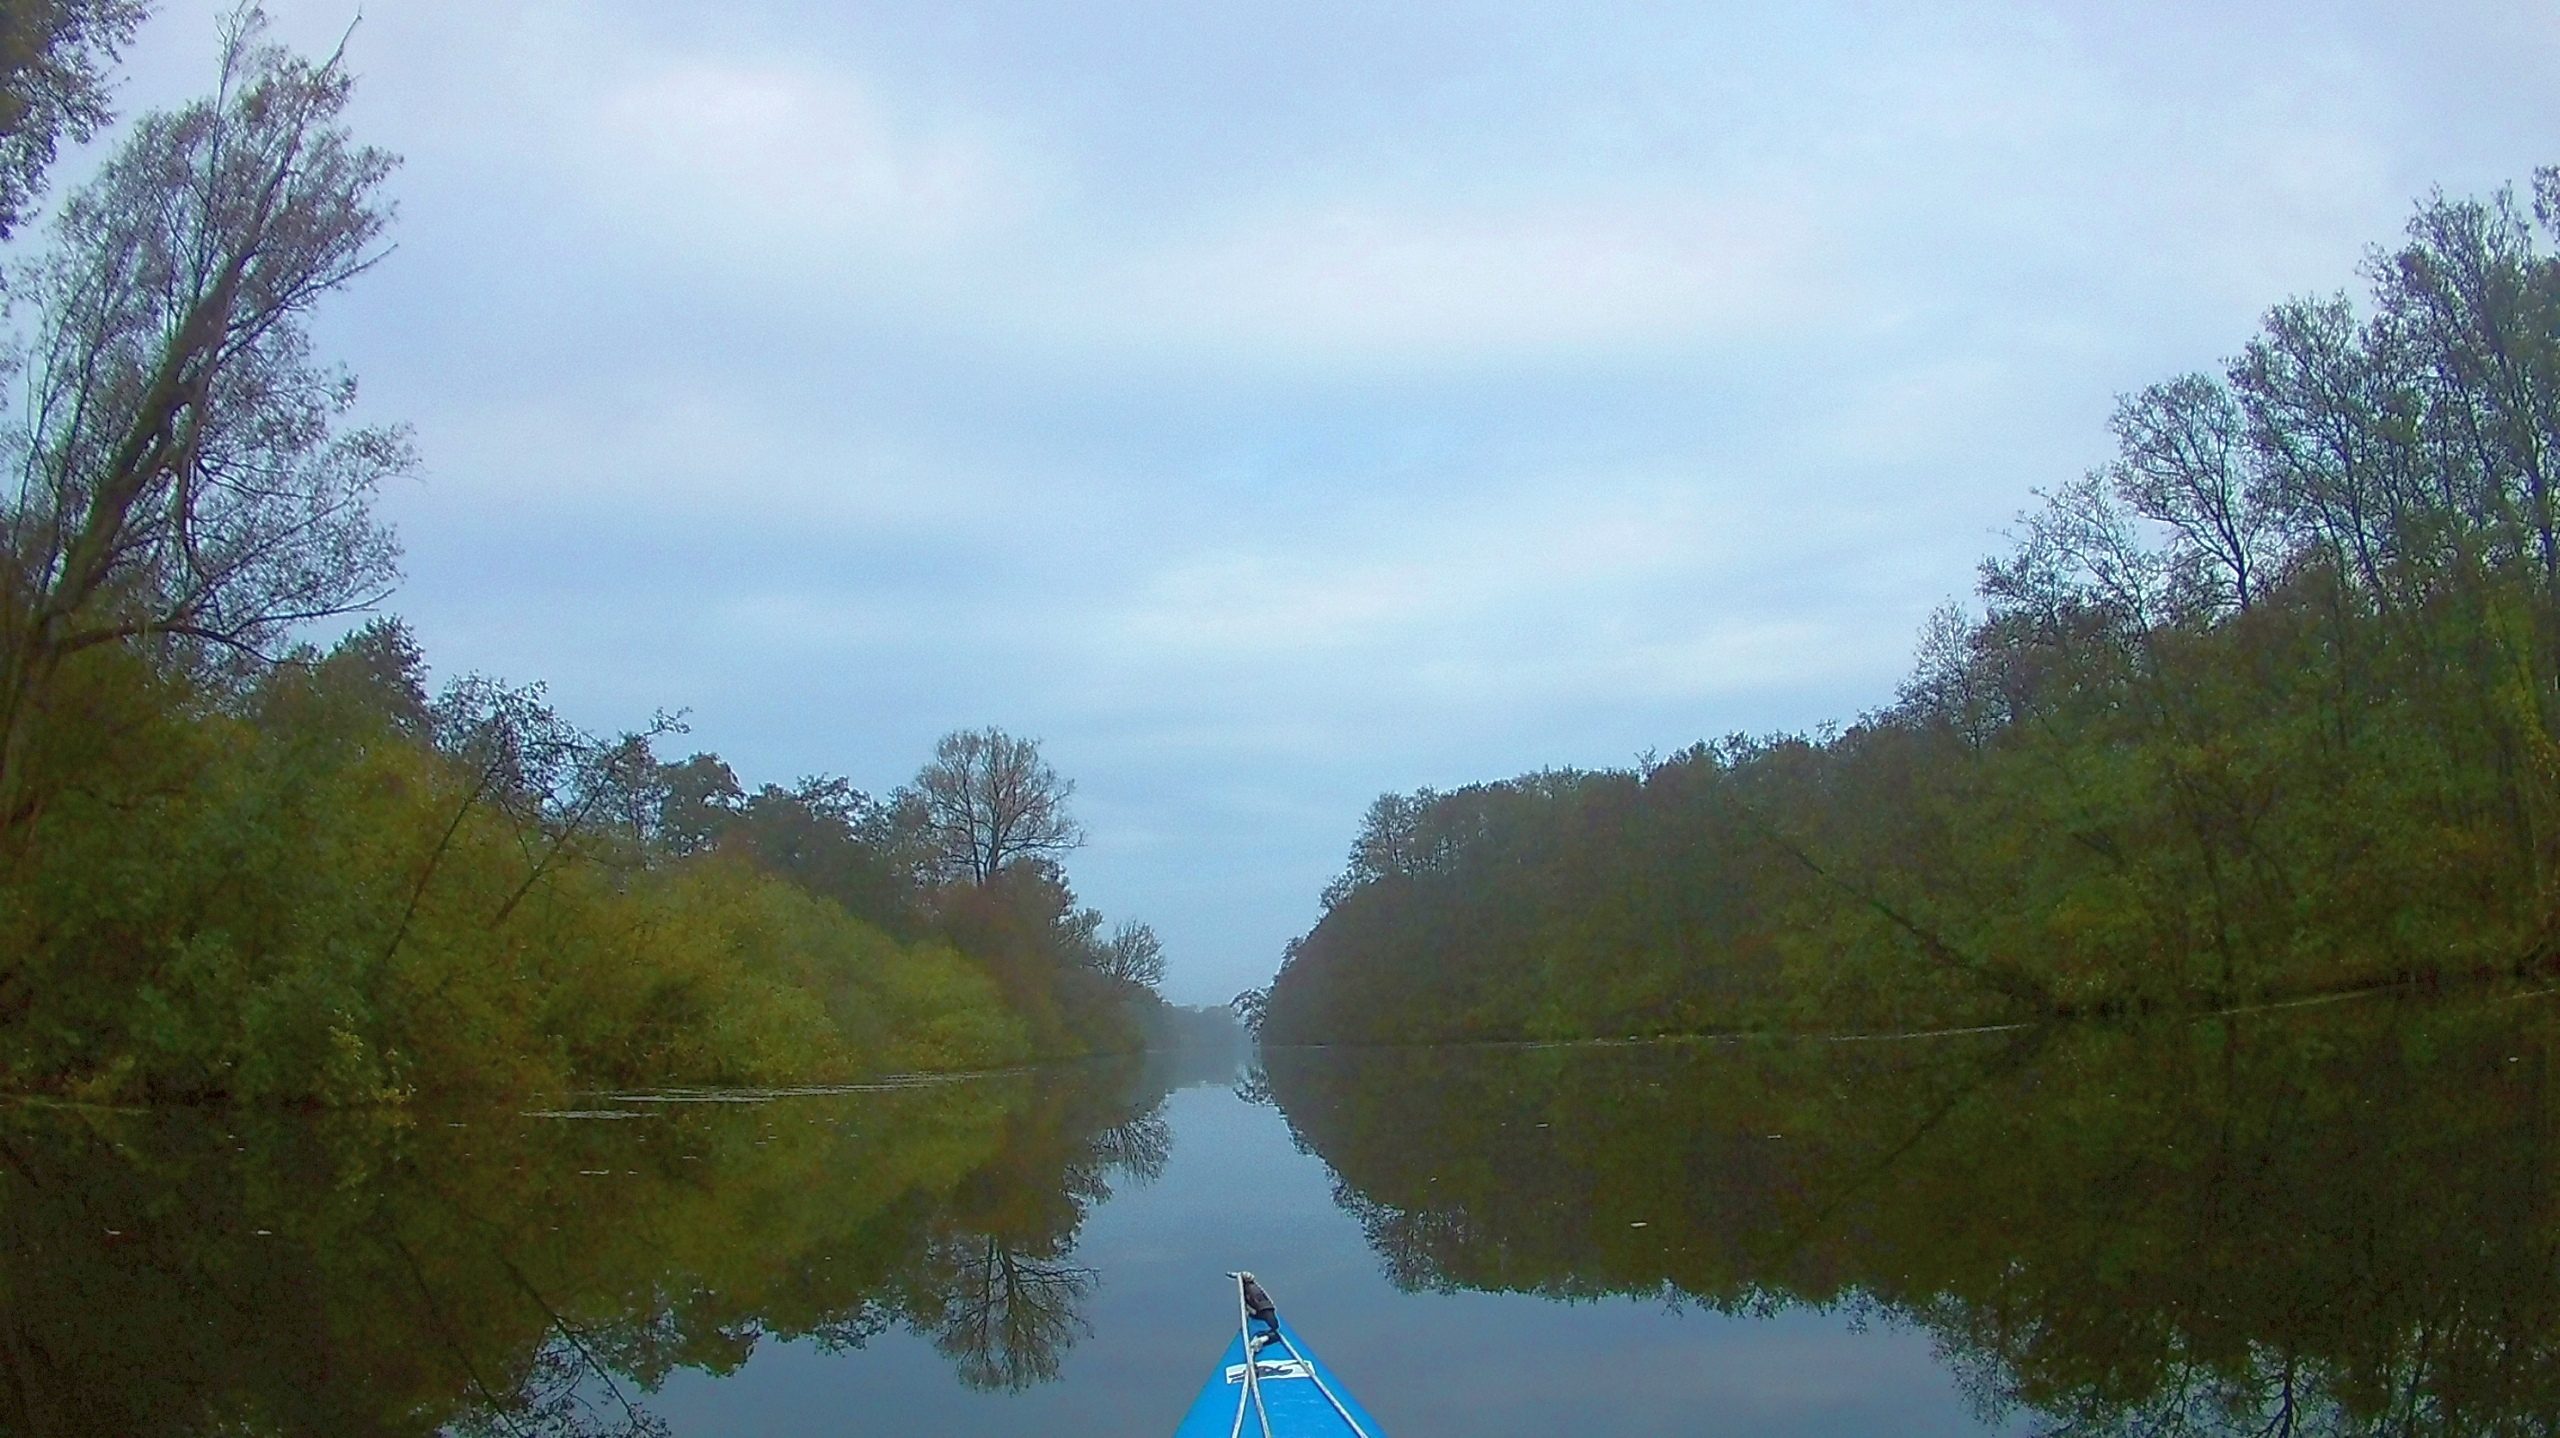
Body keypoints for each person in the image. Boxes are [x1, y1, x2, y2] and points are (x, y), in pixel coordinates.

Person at [1238, 1271, 1280, 1348]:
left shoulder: (1250, 1289)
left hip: (1262, 1311)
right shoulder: (1251, 1289)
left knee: (1275, 1331)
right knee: (1275, 1330)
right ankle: (1261, 1340)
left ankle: (1261, 1339)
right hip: (1263, 1311)